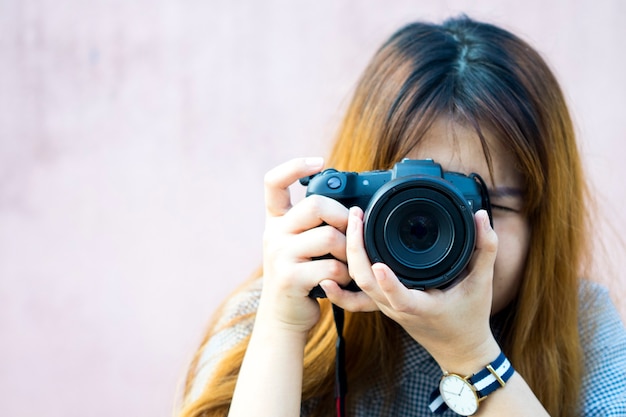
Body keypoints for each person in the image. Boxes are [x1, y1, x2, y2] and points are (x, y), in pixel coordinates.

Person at [178, 16, 626, 417]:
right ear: (354, 196)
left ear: (542, 219)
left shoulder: (582, 326)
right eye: (410, 204)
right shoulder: (274, 309)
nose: (446, 234)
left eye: (488, 204)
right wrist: (282, 329)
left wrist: (472, 355)